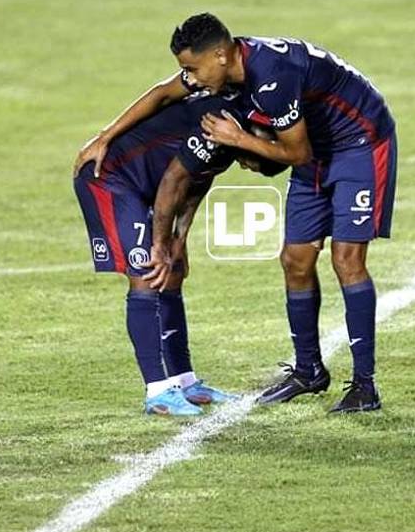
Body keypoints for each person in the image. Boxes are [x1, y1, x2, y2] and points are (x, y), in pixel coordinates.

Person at [88, 13, 398, 414]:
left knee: (347, 259)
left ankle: (364, 386)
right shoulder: (224, 73)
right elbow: (163, 94)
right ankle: (308, 371)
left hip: (359, 142)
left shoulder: (272, 76)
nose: (191, 80)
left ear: (219, 55)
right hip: (316, 147)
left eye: (192, 69)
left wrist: (237, 139)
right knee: (295, 259)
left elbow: (296, 155)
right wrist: (104, 137)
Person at [73, 85, 282, 416]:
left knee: (174, 272)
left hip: (148, 186)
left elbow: (198, 180)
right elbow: (173, 181)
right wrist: (160, 244)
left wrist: (179, 239)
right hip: (111, 179)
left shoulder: (234, 132)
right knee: (147, 275)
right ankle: (157, 393)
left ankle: (185, 382)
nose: (246, 168)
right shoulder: (218, 127)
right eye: (252, 164)